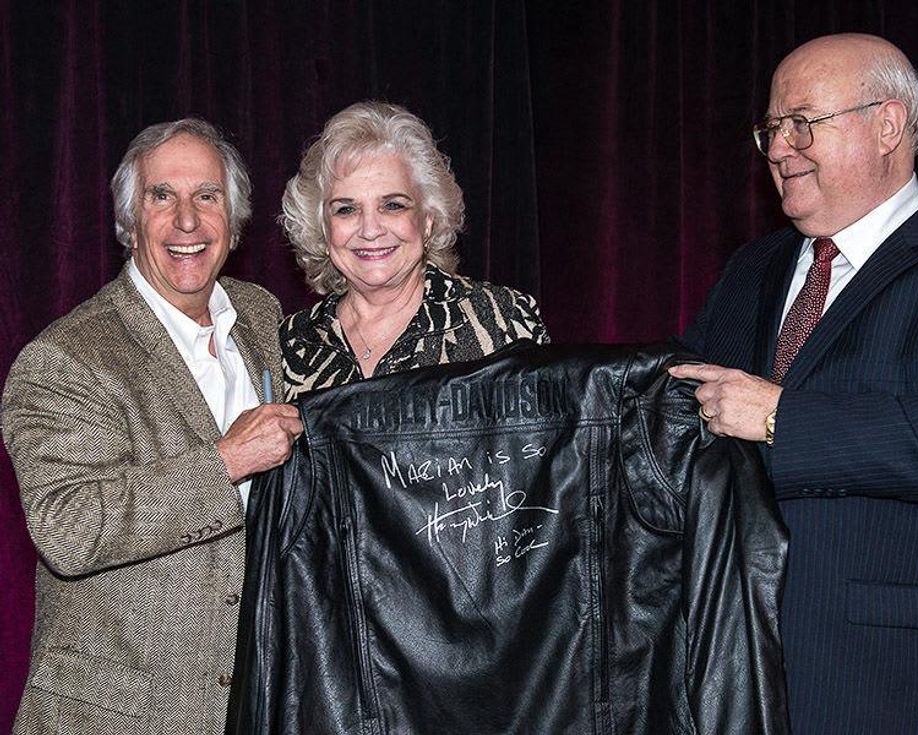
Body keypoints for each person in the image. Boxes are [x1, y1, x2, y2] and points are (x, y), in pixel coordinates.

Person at [669, 34, 918, 734]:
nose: (780, 148)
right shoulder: (752, 268)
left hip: (897, 680)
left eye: (803, 123)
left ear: (888, 126)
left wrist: (783, 418)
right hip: (735, 669)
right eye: (772, 129)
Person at [1, 118, 303, 735]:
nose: (187, 220)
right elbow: (68, 528)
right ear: (129, 220)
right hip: (118, 716)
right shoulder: (67, 357)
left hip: (251, 703)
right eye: (161, 196)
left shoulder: (260, 314)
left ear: (234, 218)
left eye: (207, 196)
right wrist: (224, 463)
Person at [278, 100, 549, 398]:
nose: (370, 230)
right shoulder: (291, 343)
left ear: (428, 220)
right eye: (346, 209)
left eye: (393, 205)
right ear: (322, 228)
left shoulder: (501, 321)